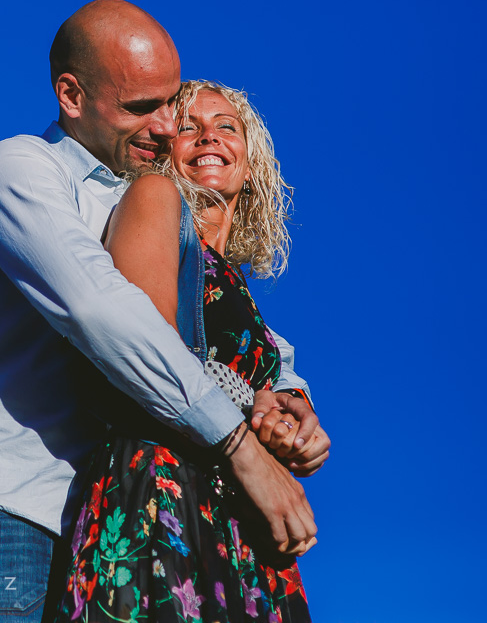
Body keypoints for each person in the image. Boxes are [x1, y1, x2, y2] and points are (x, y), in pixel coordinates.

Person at [0, 1, 325, 623]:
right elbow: (103, 310)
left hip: (99, 518)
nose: (164, 126)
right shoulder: (19, 170)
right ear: (71, 95)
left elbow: (234, 334)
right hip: (7, 508)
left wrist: (287, 395)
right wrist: (241, 446)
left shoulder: (143, 199)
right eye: (141, 108)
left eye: (168, 104)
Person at [51, 81, 328, 622]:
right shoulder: (153, 196)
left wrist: (291, 422)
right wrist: (250, 410)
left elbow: (252, 381)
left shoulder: (237, 287)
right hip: (163, 491)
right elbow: (149, 349)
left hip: (244, 521)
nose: (209, 137)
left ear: (250, 167)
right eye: (187, 126)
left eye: (227, 126)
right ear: (163, 150)